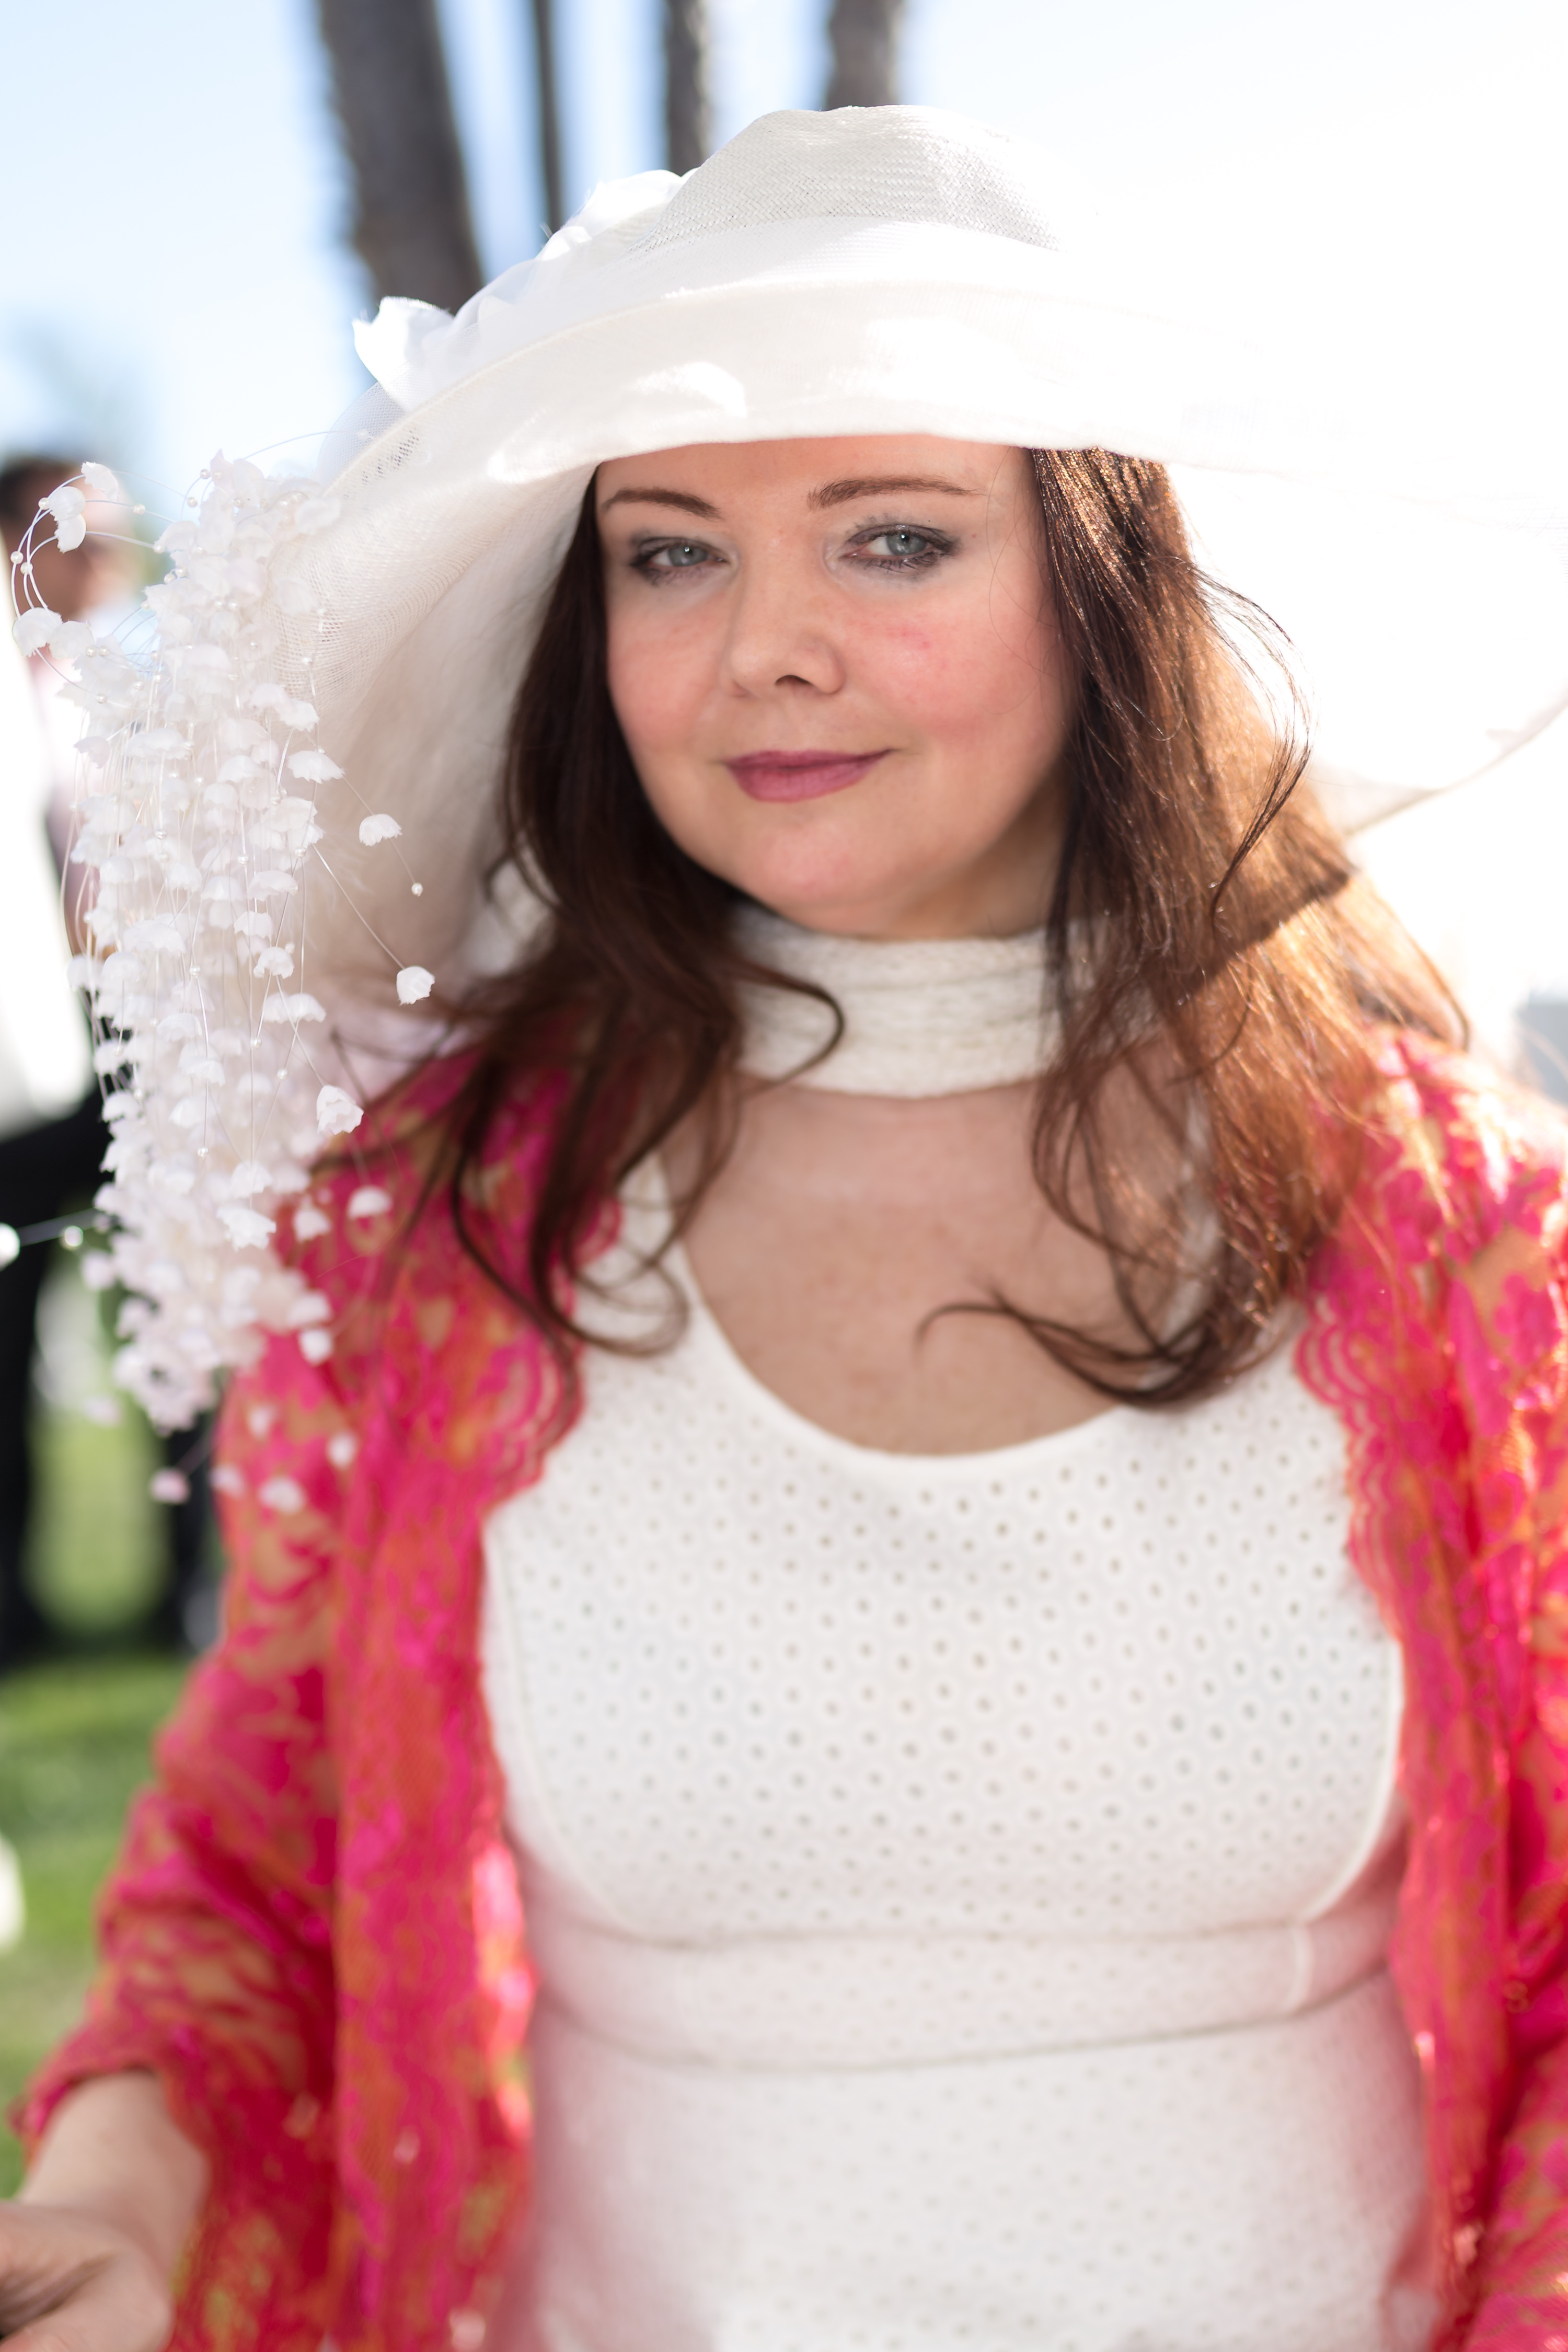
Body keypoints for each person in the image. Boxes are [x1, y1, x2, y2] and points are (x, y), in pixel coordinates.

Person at [4, 105, 1568, 2352]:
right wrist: (120, 2205)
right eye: (670, 555)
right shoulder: (440, 1229)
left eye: (895, 541)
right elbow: (265, 1858)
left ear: (1101, 582)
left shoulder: (1454, 1230)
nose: (764, 653)